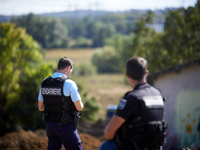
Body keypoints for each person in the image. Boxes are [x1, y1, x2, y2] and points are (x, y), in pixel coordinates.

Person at [99, 56, 167, 150]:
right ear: (146, 73)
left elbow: (109, 132)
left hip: (135, 147)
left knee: (107, 146)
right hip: (156, 147)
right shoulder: (157, 94)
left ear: (127, 75)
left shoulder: (132, 98)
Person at [38, 57, 84, 150]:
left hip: (50, 126)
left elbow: (41, 108)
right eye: (71, 70)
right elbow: (79, 107)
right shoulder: (69, 83)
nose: (70, 73)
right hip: (65, 126)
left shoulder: (45, 82)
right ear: (68, 68)